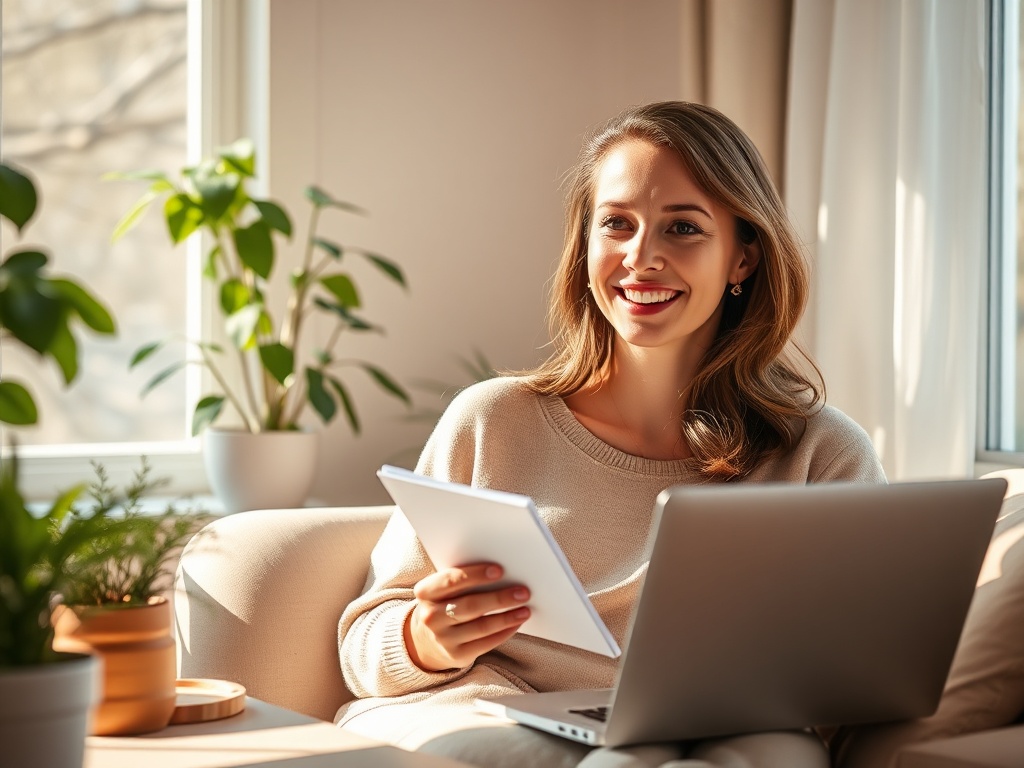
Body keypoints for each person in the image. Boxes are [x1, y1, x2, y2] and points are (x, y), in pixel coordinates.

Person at [335, 101, 886, 768]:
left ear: (743, 260)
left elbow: (865, 667)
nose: (641, 257)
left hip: (719, 723)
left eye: (682, 228)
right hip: (494, 706)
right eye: (616, 225)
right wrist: (425, 637)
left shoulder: (821, 453)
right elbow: (365, 646)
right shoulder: (494, 421)